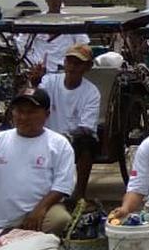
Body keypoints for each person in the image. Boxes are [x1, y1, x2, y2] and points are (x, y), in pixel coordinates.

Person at [0, 88, 76, 235]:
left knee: (60, 219)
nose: (23, 117)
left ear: (46, 115)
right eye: (19, 111)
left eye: (31, 112)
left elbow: (63, 185)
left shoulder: (59, 143)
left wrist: (40, 209)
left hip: (37, 213)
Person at [30, 43, 101, 203]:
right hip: (44, 136)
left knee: (87, 143)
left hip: (72, 140)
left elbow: (86, 127)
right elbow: (37, 102)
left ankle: (80, 194)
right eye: (69, 61)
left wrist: (64, 138)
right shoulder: (49, 81)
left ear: (87, 67)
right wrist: (34, 85)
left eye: (78, 63)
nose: (72, 67)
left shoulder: (91, 92)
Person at [16, 0, 89, 71]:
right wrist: (30, 61)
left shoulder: (73, 21)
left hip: (64, 70)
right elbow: (21, 42)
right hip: (39, 70)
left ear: (62, 0)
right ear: (46, 0)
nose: (54, 2)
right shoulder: (35, 20)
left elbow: (83, 44)